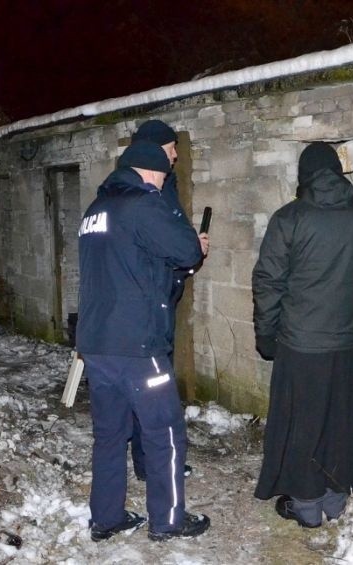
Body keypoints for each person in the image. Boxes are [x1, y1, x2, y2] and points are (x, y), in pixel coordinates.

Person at [252, 142, 353, 528]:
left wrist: (267, 336)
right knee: (341, 422)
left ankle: (307, 505)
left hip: (301, 345)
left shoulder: (289, 218)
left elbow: (268, 283)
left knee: (304, 422)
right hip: (348, 345)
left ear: (304, 177)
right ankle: (334, 499)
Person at [77, 139, 211, 542]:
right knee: (164, 431)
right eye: (162, 175)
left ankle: (106, 518)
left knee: (110, 435)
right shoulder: (143, 204)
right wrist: (194, 244)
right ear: (151, 172)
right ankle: (168, 520)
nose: (162, 182)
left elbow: (126, 263)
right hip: (138, 346)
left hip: (97, 345)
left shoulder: (95, 210)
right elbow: (187, 250)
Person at [127, 119, 204, 482]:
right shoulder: (139, 196)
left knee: (156, 385)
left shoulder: (164, 187)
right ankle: (151, 463)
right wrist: (189, 249)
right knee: (149, 388)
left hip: (163, 296)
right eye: (171, 148)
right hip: (145, 306)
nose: (176, 155)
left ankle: (154, 460)